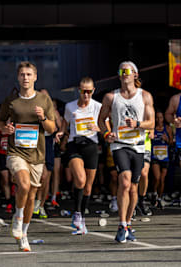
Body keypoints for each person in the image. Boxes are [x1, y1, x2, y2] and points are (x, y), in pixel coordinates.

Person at [0, 61, 55, 252]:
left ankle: (24, 234)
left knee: (31, 197)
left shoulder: (44, 100)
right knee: (23, 185)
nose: (25, 78)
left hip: (37, 154)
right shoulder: (11, 101)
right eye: (22, 74)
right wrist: (5, 129)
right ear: (18, 77)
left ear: (35, 77)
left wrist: (43, 119)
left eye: (29, 75)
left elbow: (52, 128)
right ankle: (18, 215)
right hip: (16, 151)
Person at [98, 61, 155, 243]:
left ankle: (128, 223)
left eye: (127, 71)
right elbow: (101, 120)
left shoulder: (145, 96)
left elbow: (151, 123)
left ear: (135, 74)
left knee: (133, 188)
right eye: (121, 70)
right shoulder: (111, 97)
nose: (124, 74)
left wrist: (137, 124)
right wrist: (107, 133)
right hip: (119, 144)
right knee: (124, 180)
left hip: (138, 145)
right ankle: (122, 224)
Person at [56, 77, 102, 235]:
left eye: (89, 91)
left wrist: (97, 127)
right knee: (80, 179)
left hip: (91, 145)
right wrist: (61, 132)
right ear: (79, 90)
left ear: (93, 91)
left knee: (88, 187)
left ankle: (82, 216)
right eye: (84, 91)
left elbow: (106, 126)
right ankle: (76, 213)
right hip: (74, 144)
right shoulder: (70, 106)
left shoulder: (98, 107)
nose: (86, 95)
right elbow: (64, 122)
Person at [33, 89, 57, 219]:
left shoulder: (52, 111)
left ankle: (41, 205)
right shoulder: (34, 110)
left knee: (46, 177)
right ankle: (35, 201)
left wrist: (60, 132)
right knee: (40, 175)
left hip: (48, 143)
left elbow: (60, 124)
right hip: (36, 142)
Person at [151, 110, 173, 209]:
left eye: (160, 117)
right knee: (157, 178)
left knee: (162, 179)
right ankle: (154, 193)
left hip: (165, 157)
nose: (158, 119)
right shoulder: (152, 128)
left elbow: (171, 143)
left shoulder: (167, 128)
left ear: (163, 118)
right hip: (155, 156)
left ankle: (159, 198)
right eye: (157, 117)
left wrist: (167, 139)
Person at [136, 130, 154, 216]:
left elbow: (152, 130)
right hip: (132, 145)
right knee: (132, 175)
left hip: (145, 147)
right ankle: (132, 202)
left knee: (144, 174)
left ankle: (141, 200)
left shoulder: (148, 116)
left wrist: (151, 132)